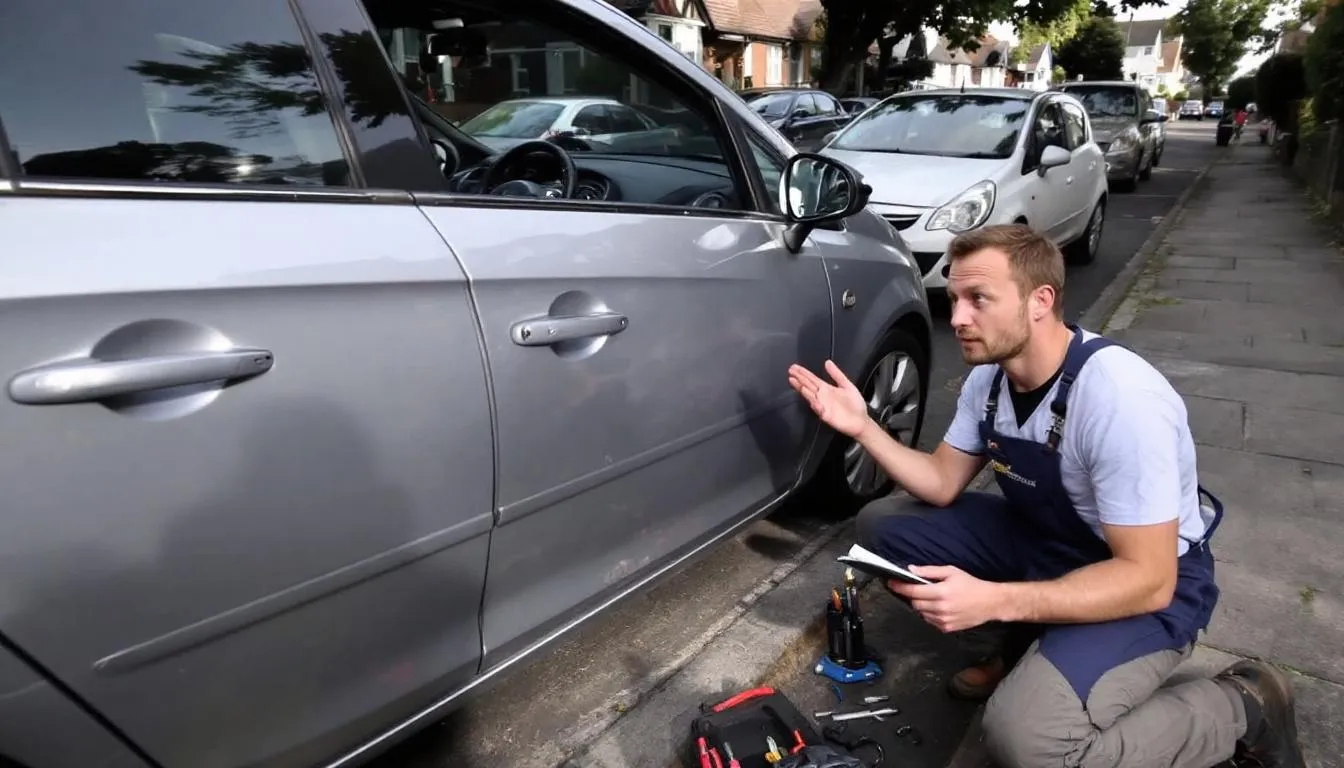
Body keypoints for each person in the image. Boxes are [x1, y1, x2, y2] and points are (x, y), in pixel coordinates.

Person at [786, 224, 1303, 768]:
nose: (957, 317)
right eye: (956, 297)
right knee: (886, 527)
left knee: (1028, 741)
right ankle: (1025, 651)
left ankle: (1242, 704)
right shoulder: (989, 381)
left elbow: (1150, 580)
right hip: (1052, 543)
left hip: (1150, 582)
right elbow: (940, 482)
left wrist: (993, 597)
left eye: (978, 299)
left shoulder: (1121, 400)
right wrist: (864, 427)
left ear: (1041, 301)